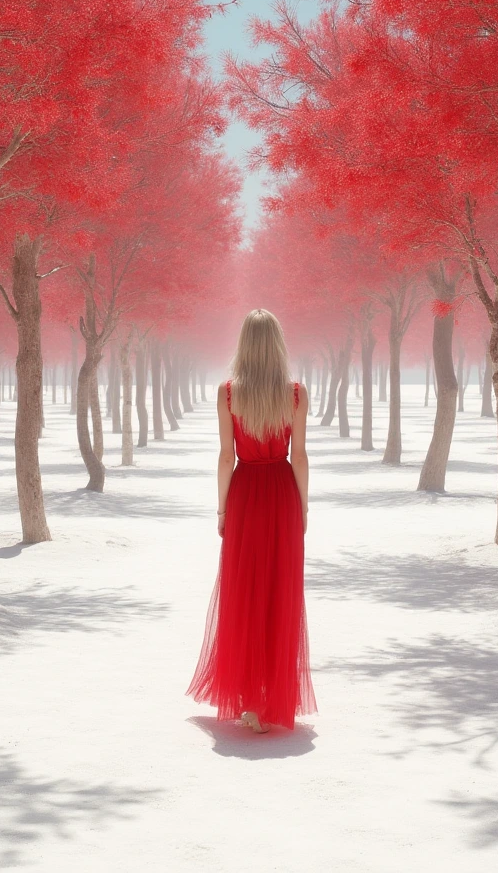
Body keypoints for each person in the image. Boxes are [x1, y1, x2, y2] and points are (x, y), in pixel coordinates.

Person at [185, 308, 318, 733]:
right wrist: (304, 505)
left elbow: (227, 456)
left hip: (245, 494)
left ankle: (246, 697)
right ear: (277, 344)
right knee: (281, 590)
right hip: (282, 494)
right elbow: (299, 456)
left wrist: (222, 509)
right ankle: (270, 698)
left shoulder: (227, 393)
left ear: (243, 343)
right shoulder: (296, 393)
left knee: (243, 590)